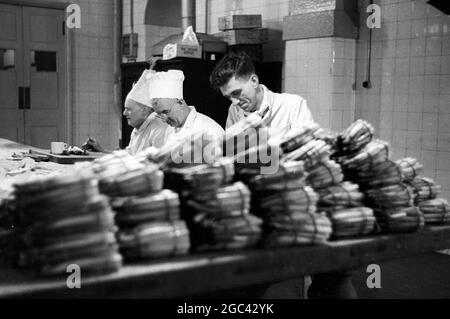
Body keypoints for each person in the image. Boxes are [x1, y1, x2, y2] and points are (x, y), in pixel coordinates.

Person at [209, 52, 315, 136]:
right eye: (229, 97)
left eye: (236, 93)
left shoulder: (293, 105)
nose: (235, 102)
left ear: (254, 81)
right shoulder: (234, 110)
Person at [84, 69, 173, 155]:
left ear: (145, 110)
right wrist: (101, 149)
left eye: (129, 109)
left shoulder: (159, 128)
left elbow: (157, 163)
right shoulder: (139, 128)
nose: (124, 113)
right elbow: (128, 155)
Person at [147, 70, 224, 156]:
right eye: (159, 115)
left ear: (180, 103)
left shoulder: (208, 129)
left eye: (165, 112)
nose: (164, 120)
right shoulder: (170, 129)